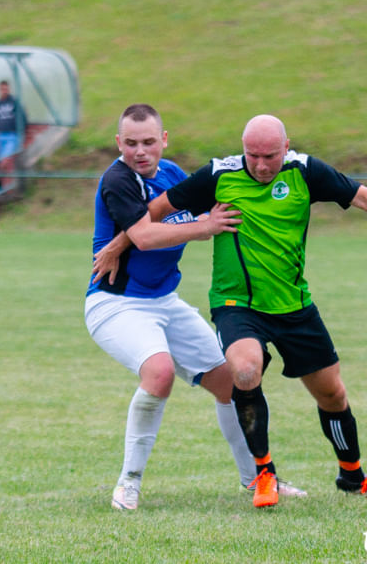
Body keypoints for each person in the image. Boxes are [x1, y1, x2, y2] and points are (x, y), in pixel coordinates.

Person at [95, 114, 367, 509]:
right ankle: (263, 473)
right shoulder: (218, 175)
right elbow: (157, 209)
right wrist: (121, 243)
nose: (259, 164)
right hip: (236, 303)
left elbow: (361, 195)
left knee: (332, 393)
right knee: (243, 370)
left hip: (293, 304)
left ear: (286, 147)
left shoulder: (305, 172)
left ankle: (353, 475)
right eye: (252, 155)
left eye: (269, 156)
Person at [86, 104, 308, 512]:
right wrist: (205, 227)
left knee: (231, 381)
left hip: (163, 301)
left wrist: (119, 242)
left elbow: (208, 202)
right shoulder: (118, 180)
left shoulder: (170, 173)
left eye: (149, 142)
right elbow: (148, 234)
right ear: (118, 143)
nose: (140, 151)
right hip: (116, 304)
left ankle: (258, 479)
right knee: (160, 372)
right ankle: (128, 482)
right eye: (131, 143)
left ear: (163, 140)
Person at [0, 80, 27, 187]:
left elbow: (23, 118)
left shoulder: (14, 102)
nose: (4, 91)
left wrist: (21, 134)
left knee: (5, 158)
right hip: (0, 136)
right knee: (0, 158)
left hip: (13, 136)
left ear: (9, 89)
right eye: (2, 89)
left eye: (6, 89)